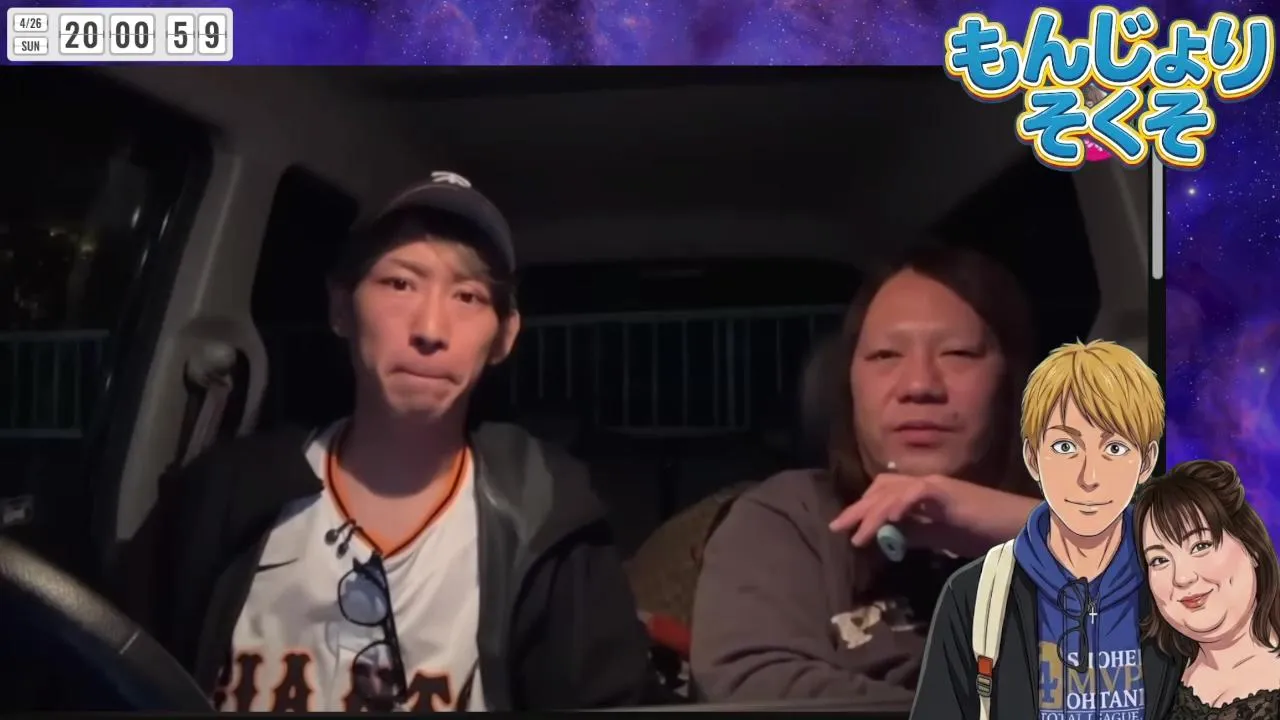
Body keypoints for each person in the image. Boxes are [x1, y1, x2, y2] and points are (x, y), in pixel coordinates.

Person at [116, 172, 663, 711]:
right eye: (400, 283)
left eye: (468, 296)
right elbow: (116, 676)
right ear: (340, 308)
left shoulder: (550, 527)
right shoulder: (223, 496)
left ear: (504, 336)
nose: (430, 328)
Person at [690, 244, 1047, 703]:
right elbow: (757, 690)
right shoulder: (793, 519)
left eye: (958, 353)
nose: (919, 385)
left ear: (1013, 381)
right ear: (848, 384)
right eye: (884, 356)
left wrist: (1032, 528)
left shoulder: (1092, 513)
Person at [912, 339, 1183, 720]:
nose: (1089, 477)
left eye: (1115, 449)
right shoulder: (976, 594)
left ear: (1147, 462)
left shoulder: (1184, 585)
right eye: (1065, 447)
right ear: (1032, 457)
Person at [1135, 459, 1280, 720]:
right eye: (1159, 560)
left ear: (1251, 547)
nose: (1182, 577)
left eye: (1200, 546)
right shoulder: (1149, 670)